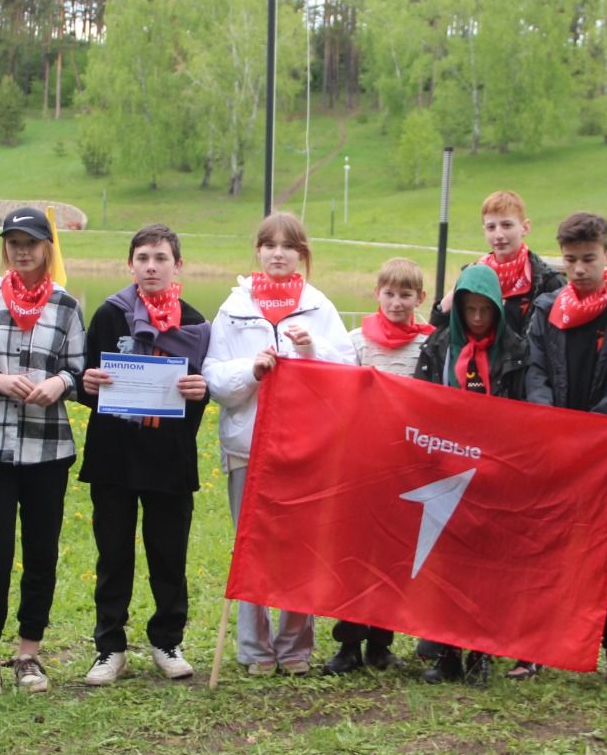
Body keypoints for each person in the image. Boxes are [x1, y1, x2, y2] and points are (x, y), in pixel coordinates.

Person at [203, 212, 356, 676]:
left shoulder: (319, 307)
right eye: (269, 244)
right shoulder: (233, 309)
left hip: (305, 448)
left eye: (288, 246)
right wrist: (251, 369)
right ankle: (253, 649)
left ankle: (295, 648)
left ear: (301, 254)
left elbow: (346, 373)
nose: (277, 253)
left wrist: (312, 352)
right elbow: (214, 379)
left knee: (299, 545)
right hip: (246, 447)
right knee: (251, 546)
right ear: (257, 250)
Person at [0, 207, 87, 696]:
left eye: (31, 241)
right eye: (13, 241)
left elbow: (80, 371)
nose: (22, 249)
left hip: (47, 452)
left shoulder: (66, 306)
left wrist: (60, 382)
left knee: (40, 554)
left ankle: (28, 655)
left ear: (47, 246)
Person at [76, 224, 211, 685]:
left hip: (169, 458)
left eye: (160, 258)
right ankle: (109, 647)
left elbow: (203, 390)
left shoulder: (195, 323)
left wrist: (200, 392)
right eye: (143, 258)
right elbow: (83, 381)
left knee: (168, 555)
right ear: (130, 264)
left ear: (178, 266)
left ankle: (167, 641)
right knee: (112, 555)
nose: (151, 266)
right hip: (114, 456)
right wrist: (86, 384)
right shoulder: (110, 315)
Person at [521, 212, 607, 686]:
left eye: (588, 259)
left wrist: (595, 430)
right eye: (570, 259)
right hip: (556, 448)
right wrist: (551, 421)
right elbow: (534, 370)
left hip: (606, 454)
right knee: (546, 545)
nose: (578, 269)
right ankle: (531, 647)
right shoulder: (547, 309)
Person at [323, 257, 432, 676]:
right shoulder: (356, 342)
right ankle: (348, 641)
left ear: (419, 298)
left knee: (393, 555)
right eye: (389, 293)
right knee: (354, 554)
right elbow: (336, 390)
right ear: (377, 293)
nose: (396, 301)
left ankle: (381, 642)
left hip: (405, 466)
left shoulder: (428, 344)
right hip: (361, 464)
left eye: (406, 294)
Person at [414, 262, 523, 684]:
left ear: (497, 308)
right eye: (470, 310)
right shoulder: (439, 347)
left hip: (495, 473)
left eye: (485, 310)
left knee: (486, 568)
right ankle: (446, 653)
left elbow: (527, 411)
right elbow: (420, 404)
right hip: (446, 469)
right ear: (457, 309)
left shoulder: (515, 349)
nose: (478, 319)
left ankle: (481, 654)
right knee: (446, 564)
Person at [431, 190, 562, 397]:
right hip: (475, 381)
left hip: (522, 384)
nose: (499, 235)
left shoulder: (546, 281)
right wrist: (445, 304)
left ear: (525, 227)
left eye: (507, 225)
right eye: (491, 227)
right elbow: (441, 330)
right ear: (484, 231)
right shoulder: (473, 274)